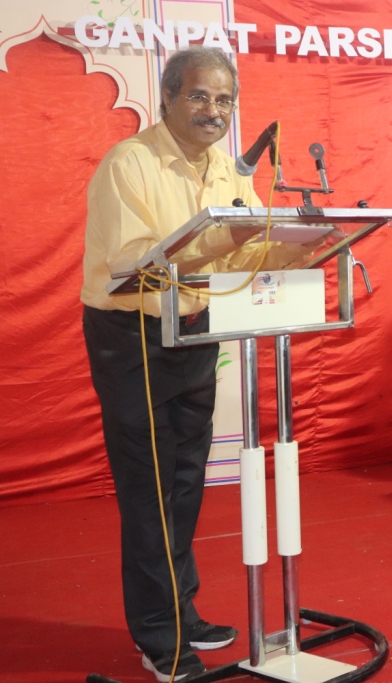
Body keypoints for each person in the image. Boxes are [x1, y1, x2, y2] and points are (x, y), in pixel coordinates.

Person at [81, 47, 305, 681]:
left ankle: (181, 612)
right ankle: (162, 638)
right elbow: (133, 261)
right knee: (149, 488)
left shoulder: (228, 172)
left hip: (197, 327)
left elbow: (239, 251)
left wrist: (293, 241)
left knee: (184, 483)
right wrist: (224, 240)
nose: (214, 110)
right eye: (200, 96)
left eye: (225, 100)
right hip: (134, 332)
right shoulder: (130, 163)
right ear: (168, 98)